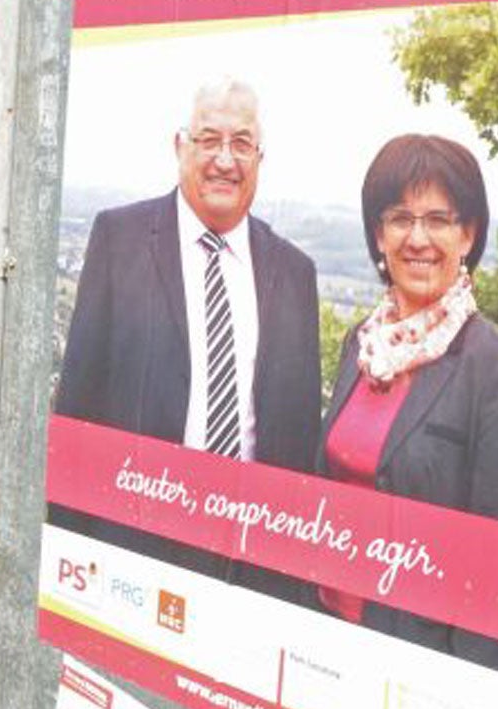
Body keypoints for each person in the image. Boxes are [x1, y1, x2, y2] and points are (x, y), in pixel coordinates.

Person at [53, 79, 323, 584]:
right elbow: (77, 408)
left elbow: (301, 441)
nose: (225, 160)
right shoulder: (121, 240)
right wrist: (67, 552)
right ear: (180, 147)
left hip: (248, 565)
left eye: (241, 143)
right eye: (209, 139)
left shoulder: (295, 274)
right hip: (129, 553)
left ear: (259, 159)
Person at [318, 134, 498, 673]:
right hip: (324, 639)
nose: (418, 238)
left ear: (467, 234)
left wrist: (460, 699)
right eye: (399, 218)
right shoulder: (361, 345)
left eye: (439, 219)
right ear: (379, 235)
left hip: (418, 667)